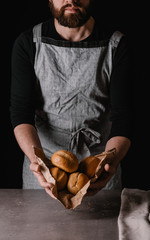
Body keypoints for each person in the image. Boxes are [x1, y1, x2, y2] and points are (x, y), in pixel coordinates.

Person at [10, 0, 134, 197]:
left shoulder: (116, 45)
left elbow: (123, 118)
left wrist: (110, 162)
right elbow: (21, 113)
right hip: (44, 166)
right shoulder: (28, 42)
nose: (71, 0)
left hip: (98, 166)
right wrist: (38, 162)